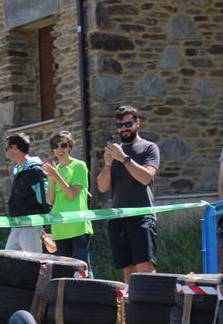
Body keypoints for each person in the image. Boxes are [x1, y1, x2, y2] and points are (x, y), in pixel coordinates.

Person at [97, 104, 160, 282]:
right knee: (128, 271)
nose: (124, 129)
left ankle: (151, 300)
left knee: (145, 269)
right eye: (120, 125)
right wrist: (108, 165)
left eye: (128, 124)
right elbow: (102, 187)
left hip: (142, 216)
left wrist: (124, 159)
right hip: (118, 218)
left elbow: (146, 178)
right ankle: (131, 300)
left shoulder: (149, 147)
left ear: (137, 123)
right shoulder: (116, 152)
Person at [43, 130, 92, 269]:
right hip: (60, 227)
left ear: (70, 147)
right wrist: (51, 178)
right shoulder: (54, 170)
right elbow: (50, 201)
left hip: (78, 226)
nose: (59, 149)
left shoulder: (79, 166)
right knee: (64, 270)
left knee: (82, 268)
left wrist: (56, 175)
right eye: (55, 146)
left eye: (63, 145)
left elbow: (72, 194)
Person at [3, 133, 50, 254]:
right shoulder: (18, 170)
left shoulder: (35, 170)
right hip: (16, 226)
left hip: (30, 227)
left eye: (7, 148)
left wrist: (40, 225)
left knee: (35, 262)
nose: (6, 151)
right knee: (8, 260)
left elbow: (44, 199)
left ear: (14, 148)